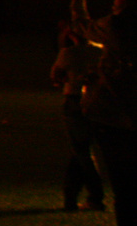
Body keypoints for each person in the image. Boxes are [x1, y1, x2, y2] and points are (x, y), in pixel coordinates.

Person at [69, 0, 137, 225]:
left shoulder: (115, 26)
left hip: (113, 119)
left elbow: (80, 24)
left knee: (125, 188)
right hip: (117, 117)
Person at [53, 25, 108, 212]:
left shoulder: (69, 52)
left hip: (75, 101)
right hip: (97, 102)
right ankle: (71, 198)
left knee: (80, 152)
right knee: (81, 150)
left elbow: (56, 76)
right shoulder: (101, 51)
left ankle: (95, 196)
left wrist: (62, 42)